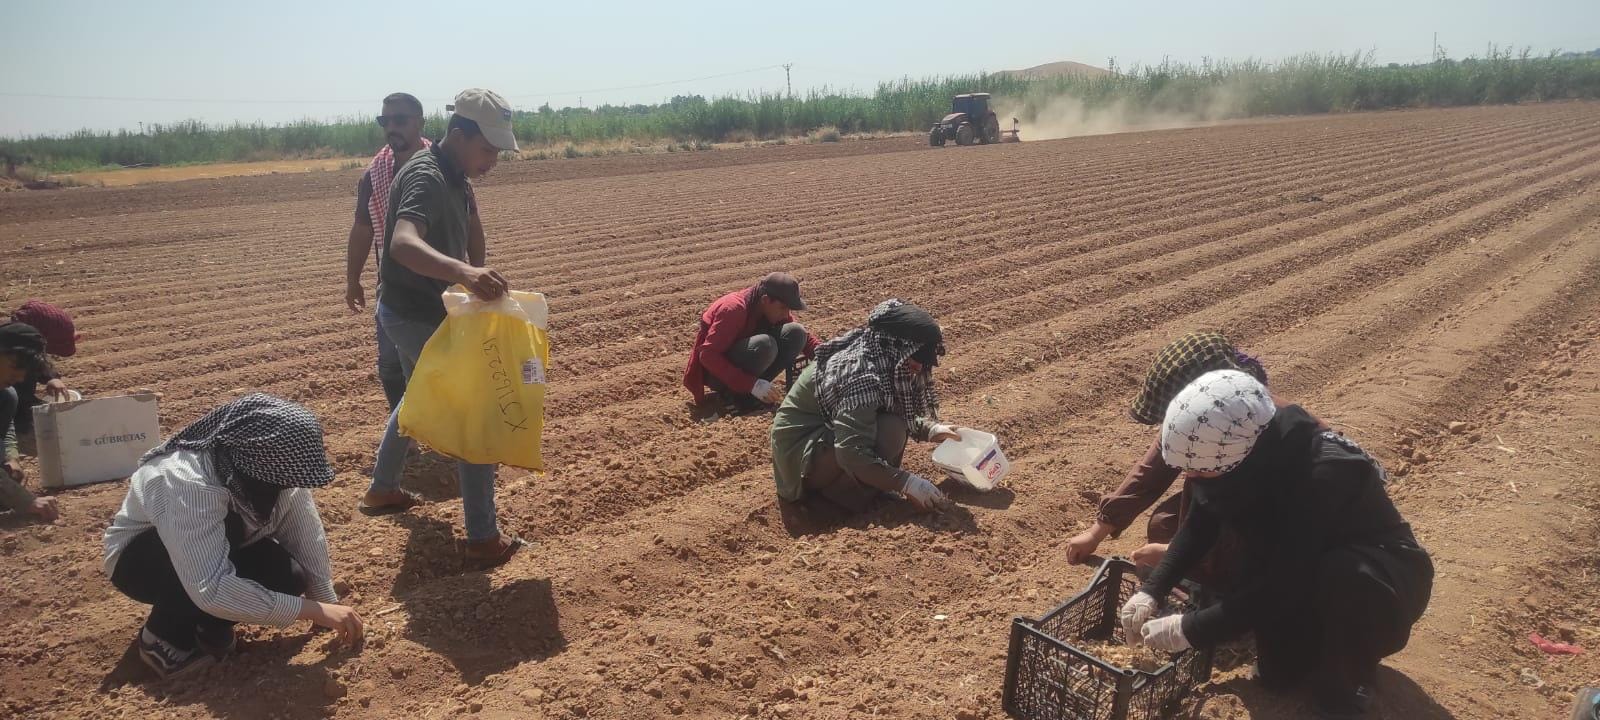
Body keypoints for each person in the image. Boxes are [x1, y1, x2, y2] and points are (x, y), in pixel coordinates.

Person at [1120, 370, 1433, 717]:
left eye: (1199, 471)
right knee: (1279, 675)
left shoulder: (1323, 472)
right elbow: (1201, 520)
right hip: (1305, 570)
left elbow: (1284, 582)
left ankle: (1349, 684)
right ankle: (1315, 650)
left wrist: (1188, 629)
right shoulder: (1241, 457)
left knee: (1344, 576)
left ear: (1237, 455)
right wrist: (1153, 588)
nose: (1192, 479)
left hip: (1381, 586)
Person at [358, 88, 526, 568]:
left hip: (420, 310)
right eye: (488, 149)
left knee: (418, 397)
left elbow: (470, 225)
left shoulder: (455, 173)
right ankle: (482, 538)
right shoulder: (428, 176)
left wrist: (477, 271)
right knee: (471, 411)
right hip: (412, 313)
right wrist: (465, 273)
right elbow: (402, 245)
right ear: (459, 134)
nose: (493, 158)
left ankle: (382, 490)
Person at [102, 394, 364, 680]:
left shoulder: (275, 471)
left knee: (287, 575)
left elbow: (304, 534)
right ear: (255, 462)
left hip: (216, 548)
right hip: (141, 563)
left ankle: (209, 628)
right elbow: (210, 586)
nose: (288, 487)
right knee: (225, 534)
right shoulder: (185, 482)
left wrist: (324, 599)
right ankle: (163, 639)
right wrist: (311, 610)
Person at [1066, 332, 1324, 585]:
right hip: (1254, 510)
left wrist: (1176, 556)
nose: (1189, 473)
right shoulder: (1207, 421)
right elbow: (1151, 473)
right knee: (1165, 524)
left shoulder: (1266, 432)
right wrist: (1094, 534)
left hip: (1302, 532)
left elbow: (1267, 526)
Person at [770, 299, 962, 513]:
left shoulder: (881, 355)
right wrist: (906, 483)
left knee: (892, 425)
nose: (920, 366)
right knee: (891, 430)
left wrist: (931, 429)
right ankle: (832, 504)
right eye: (916, 357)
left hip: (827, 433)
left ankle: (867, 489)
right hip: (800, 453)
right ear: (895, 345)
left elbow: (890, 405)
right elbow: (851, 453)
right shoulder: (862, 376)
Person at [343, 92, 449, 412]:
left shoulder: (445, 168)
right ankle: (405, 432)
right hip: (393, 286)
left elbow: (471, 222)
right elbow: (363, 228)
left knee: (442, 361)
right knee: (390, 365)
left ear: (420, 123)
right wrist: (352, 280)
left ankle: (448, 429)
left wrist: (474, 270)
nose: (391, 127)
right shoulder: (374, 174)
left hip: (441, 286)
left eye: (400, 120)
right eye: (384, 121)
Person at [683, 272, 819, 413]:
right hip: (718, 374)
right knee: (766, 344)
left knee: (797, 332)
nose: (787, 314)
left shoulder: (766, 307)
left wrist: (828, 356)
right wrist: (751, 384)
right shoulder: (734, 309)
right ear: (766, 300)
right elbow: (707, 356)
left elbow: (805, 338)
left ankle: (751, 394)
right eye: (784, 308)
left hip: (742, 364)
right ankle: (735, 395)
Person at [0, 322, 58, 522]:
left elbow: (4, 427)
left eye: (25, 371)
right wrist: (26, 501)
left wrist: (9, 457)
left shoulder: (5, 395)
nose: (20, 376)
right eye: (16, 366)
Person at [6, 301, 78, 453]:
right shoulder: (10, 349)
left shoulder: (21, 346)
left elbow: (38, 360)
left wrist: (51, 378)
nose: (18, 377)